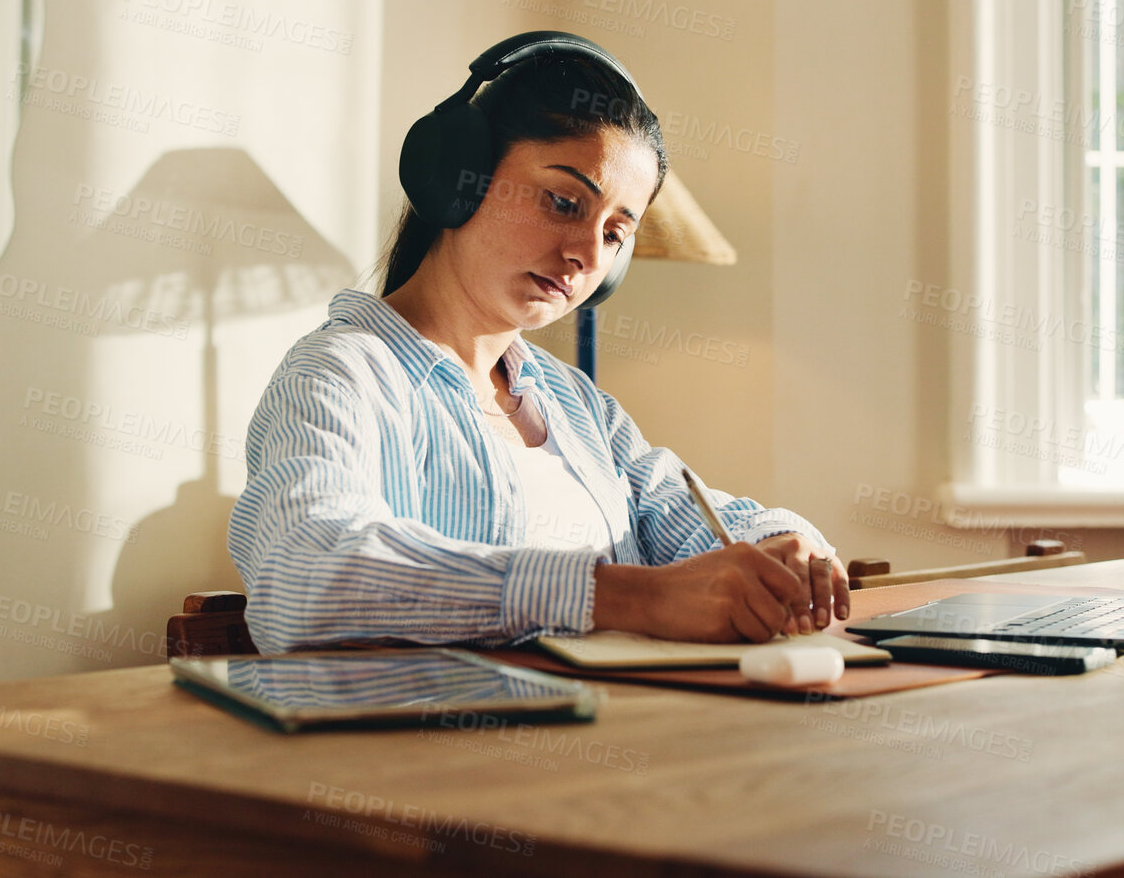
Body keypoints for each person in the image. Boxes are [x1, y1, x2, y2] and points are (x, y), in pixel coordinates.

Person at [227, 33, 848, 654]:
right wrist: (632, 598)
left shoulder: (574, 402)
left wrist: (781, 547)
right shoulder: (340, 376)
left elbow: (687, 517)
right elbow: (303, 577)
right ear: (456, 176)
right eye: (563, 201)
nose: (586, 254)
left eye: (615, 233)